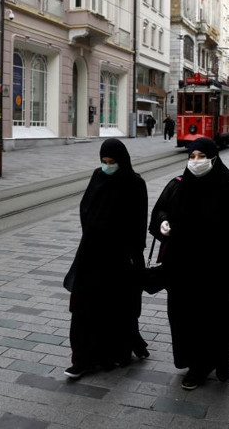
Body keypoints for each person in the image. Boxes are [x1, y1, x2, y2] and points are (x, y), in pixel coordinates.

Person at [148, 137, 229, 390]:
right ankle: (197, 366)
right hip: (184, 269)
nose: (195, 162)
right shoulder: (177, 186)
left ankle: (221, 356)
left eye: (201, 157)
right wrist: (162, 223)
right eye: (191, 157)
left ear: (214, 158)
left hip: (222, 271)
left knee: (219, 317)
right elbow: (159, 212)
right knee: (187, 319)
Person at [63, 138, 149, 380]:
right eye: (104, 162)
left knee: (115, 307)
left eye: (112, 162)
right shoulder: (98, 176)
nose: (107, 166)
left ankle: (113, 353)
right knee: (83, 307)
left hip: (120, 257)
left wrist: (135, 253)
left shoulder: (134, 183)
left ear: (122, 161)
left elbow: (139, 222)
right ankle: (81, 359)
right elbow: (85, 207)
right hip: (92, 252)